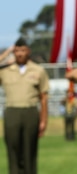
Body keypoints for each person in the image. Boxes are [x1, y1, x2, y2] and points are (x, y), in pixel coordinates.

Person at [0, 38, 49, 174]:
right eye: (16, 51)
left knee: (30, 150)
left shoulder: (38, 70)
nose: (20, 54)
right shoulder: (5, 70)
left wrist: (44, 120)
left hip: (30, 112)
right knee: (13, 149)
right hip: (12, 112)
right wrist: (5, 54)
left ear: (29, 51)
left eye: (22, 50)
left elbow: (44, 98)